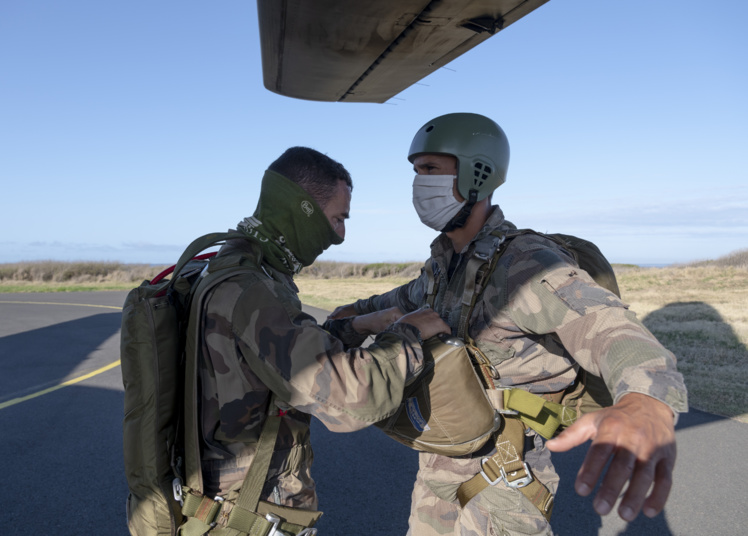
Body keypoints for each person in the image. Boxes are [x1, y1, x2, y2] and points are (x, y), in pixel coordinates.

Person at [327, 113, 688, 536]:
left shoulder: (527, 265)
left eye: (430, 170)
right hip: (437, 467)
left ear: (476, 174)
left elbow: (608, 326)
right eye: (415, 172)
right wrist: (356, 318)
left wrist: (646, 400)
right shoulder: (442, 268)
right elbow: (380, 305)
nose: (418, 185)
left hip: (502, 479)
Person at [191, 146, 450, 534]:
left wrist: (358, 325)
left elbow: (277, 362)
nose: (339, 236)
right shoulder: (253, 290)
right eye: (337, 219)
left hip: (227, 506)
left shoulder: (233, 266)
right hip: (253, 513)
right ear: (303, 209)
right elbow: (349, 399)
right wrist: (410, 333)